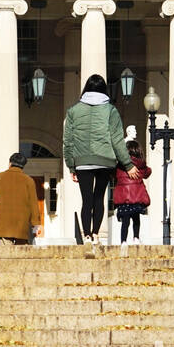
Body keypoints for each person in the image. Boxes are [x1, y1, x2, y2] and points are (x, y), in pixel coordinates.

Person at [62, 74, 139, 245]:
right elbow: (117, 140)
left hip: (82, 161)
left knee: (86, 199)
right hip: (105, 160)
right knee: (99, 198)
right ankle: (96, 234)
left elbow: (68, 141)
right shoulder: (111, 110)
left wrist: (71, 166)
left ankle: (87, 235)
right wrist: (128, 164)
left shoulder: (74, 111)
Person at [0, 152, 40, 245]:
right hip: (22, 227)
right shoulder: (29, 180)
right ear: (23, 166)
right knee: (21, 257)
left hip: (2, 226)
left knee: (4, 256)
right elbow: (34, 205)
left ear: (10, 163)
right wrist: (35, 225)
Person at [112, 132, 152, 244]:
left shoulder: (120, 165)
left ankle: (123, 241)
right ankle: (136, 238)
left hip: (123, 197)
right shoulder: (140, 164)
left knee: (125, 221)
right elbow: (147, 173)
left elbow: (113, 174)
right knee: (136, 219)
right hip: (137, 196)